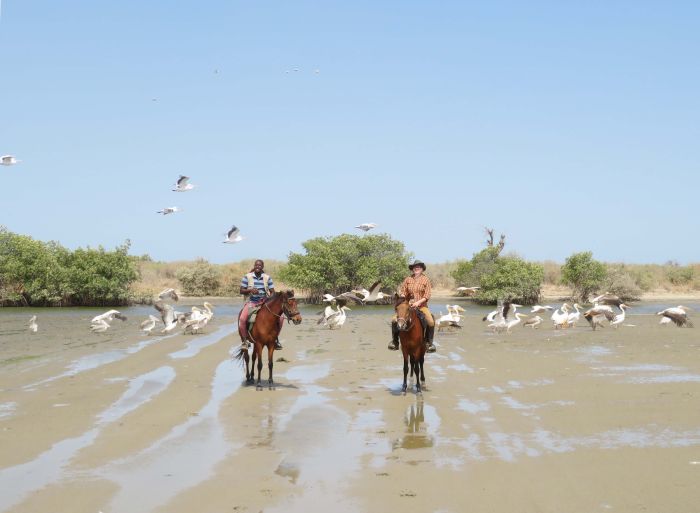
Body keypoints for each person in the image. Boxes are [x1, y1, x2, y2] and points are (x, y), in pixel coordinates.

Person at [388, 259, 436, 353]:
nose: (416, 268)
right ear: (412, 269)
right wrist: (403, 299)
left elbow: (427, 295)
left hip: (421, 306)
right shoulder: (408, 279)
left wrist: (418, 303)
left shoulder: (426, 280)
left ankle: (429, 343)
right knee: (394, 319)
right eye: (414, 267)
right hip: (408, 306)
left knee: (430, 321)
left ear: (422, 269)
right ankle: (395, 342)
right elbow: (404, 292)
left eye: (418, 267)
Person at [238, 259, 283, 350]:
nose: (257, 267)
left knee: (281, 318)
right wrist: (250, 290)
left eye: (259, 266)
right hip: (252, 302)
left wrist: (272, 299)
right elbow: (241, 290)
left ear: (262, 267)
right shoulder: (247, 277)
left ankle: (275, 339)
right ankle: (245, 341)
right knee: (242, 319)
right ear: (254, 266)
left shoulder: (267, 278)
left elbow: (272, 292)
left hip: (265, 303)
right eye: (256, 265)